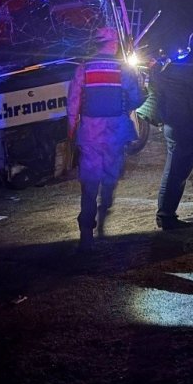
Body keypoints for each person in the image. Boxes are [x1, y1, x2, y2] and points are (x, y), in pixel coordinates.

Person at [66, 26, 146, 252]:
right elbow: (136, 97)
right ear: (114, 44)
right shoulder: (123, 69)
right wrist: (125, 109)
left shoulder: (83, 68)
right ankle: (105, 207)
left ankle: (86, 232)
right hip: (115, 131)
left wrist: (72, 129)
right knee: (111, 175)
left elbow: (73, 101)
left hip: (90, 131)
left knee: (90, 180)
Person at [154, 30, 193, 229]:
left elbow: (158, 88)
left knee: (171, 170)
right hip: (188, 127)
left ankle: (164, 213)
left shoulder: (175, 64)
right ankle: (167, 216)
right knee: (178, 173)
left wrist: (164, 115)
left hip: (172, 123)